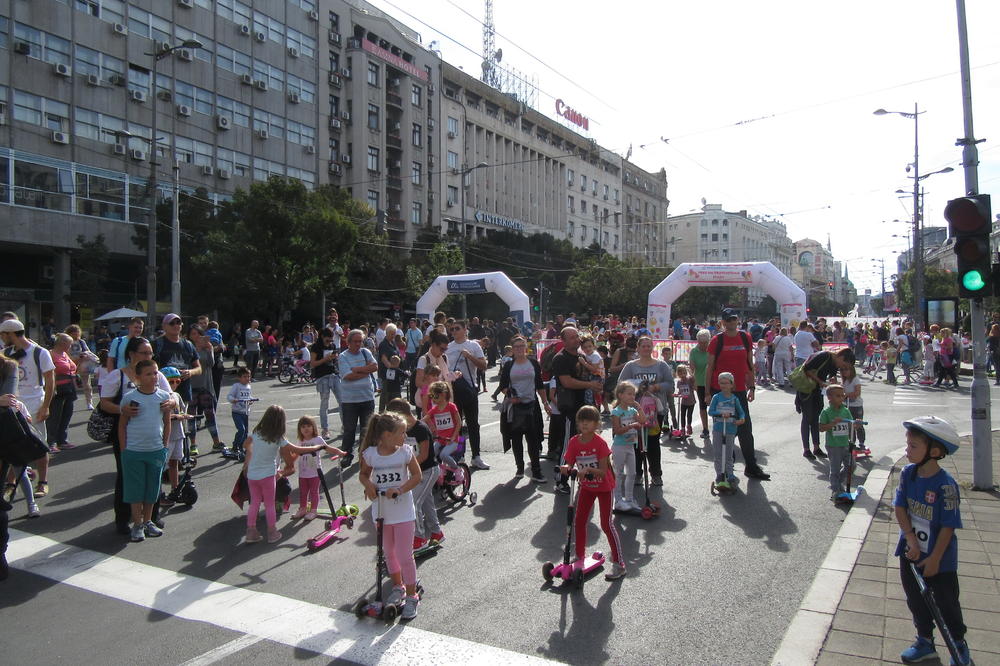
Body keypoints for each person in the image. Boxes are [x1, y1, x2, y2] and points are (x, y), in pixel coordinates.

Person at [893, 416, 970, 665]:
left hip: (940, 559)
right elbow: (900, 508)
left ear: (934, 451)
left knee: (947, 603)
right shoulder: (908, 474)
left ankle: (958, 644)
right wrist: (911, 541)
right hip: (912, 552)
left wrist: (936, 558)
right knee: (916, 599)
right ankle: (925, 640)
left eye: (913, 446)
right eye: (908, 444)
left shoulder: (946, 485)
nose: (907, 450)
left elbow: (949, 526)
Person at [241, 405, 338, 544]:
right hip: (268, 475)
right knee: (269, 504)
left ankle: (251, 532)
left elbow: (245, 445)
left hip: (252, 475)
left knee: (254, 503)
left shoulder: (256, 433)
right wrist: (317, 447)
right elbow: (297, 449)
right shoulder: (278, 438)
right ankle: (272, 532)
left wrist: (251, 455)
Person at [359, 411, 423, 620]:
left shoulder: (404, 452)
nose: (405, 437)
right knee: (389, 553)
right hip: (382, 512)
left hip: (403, 511)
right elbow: (363, 474)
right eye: (401, 433)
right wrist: (369, 485)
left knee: (405, 555)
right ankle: (398, 586)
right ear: (386, 435)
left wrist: (400, 489)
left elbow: (417, 475)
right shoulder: (371, 454)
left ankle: (412, 596)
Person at [558, 406, 626, 581]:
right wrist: (567, 468)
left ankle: (619, 564)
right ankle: (580, 557)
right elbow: (570, 462)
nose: (584, 424)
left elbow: (603, 472)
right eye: (581, 421)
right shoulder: (574, 441)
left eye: (588, 421)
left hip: (604, 487)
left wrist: (587, 469)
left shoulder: (599, 443)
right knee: (579, 521)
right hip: (586, 487)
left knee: (606, 524)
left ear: (596, 424)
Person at [704, 309, 770, 481]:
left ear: (738, 321)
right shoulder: (716, 341)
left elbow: (749, 363)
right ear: (723, 323)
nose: (732, 322)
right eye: (728, 320)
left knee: (745, 429)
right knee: (724, 430)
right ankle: (727, 469)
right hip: (720, 391)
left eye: (734, 319)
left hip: (739, 390)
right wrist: (707, 393)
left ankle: (751, 466)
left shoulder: (745, 337)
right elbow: (709, 368)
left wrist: (752, 386)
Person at [117, 359, 172, 542]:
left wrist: (164, 446)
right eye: (148, 374)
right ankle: (137, 524)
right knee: (135, 489)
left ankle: (148, 521)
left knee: (152, 489)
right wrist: (124, 449)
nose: (153, 377)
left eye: (155, 373)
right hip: (134, 451)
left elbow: (167, 422)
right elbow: (122, 425)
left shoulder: (164, 397)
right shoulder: (131, 398)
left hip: (156, 450)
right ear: (138, 377)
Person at [1, 318, 54, 499]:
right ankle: (11, 482)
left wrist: (46, 406)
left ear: (10, 334)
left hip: (35, 403)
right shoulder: (6, 353)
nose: (2, 338)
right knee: (11, 445)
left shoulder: (40, 352)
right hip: (13, 406)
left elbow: (50, 381)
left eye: (3, 334)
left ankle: (43, 481)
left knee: (39, 445)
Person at [551, 327, 605, 494]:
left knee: (588, 444)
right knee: (569, 445)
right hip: (570, 408)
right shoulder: (560, 358)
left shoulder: (581, 356)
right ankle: (561, 480)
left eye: (577, 336)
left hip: (586, 406)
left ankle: (586, 477)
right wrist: (590, 384)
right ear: (564, 341)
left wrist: (597, 382)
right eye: (572, 337)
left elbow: (594, 373)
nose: (577, 340)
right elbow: (567, 382)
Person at [386, 399, 442, 550]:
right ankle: (437, 533)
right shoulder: (403, 430)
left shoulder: (421, 428)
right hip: (416, 472)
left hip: (428, 471)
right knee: (426, 503)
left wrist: (407, 467)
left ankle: (419, 538)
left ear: (400, 414)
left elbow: (423, 455)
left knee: (414, 504)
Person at [619, 337, 674, 487]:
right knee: (636, 443)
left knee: (653, 442)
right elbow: (621, 384)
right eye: (643, 346)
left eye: (649, 346)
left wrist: (655, 387)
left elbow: (670, 384)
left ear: (652, 347)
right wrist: (636, 387)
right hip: (634, 410)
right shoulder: (631, 366)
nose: (646, 348)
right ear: (638, 347)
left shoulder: (661, 365)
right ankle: (637, 473)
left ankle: (656, 474)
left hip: (656, 411)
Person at [497, 335, 548, 482]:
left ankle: (536, 472)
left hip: (531, 405)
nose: (519, 349)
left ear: (526, 347)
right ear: (512, 349)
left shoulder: (533, 363)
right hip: (515, 408)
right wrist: (511, 397)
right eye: (516, 347)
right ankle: (519, 467)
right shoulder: (509, 365)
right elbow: (503, 386)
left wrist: (546, 403)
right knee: (516, 439)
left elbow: (539, 385)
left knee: (533, 439)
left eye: (521, 346)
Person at [444, 320, 490, 470]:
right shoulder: (448, 347)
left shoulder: (473, 345)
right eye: (452, 329)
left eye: (457, 328)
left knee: (473, 424)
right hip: (453, 390)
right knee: (457, 425)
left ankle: (476, 456)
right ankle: (459, 455)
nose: (454, 331)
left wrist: (469, 356)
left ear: (465, 329)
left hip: (470, 389)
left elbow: (483, 366)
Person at [797, 347, 856, 460]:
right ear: (841, 357)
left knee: (816, 418)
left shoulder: (834, 363)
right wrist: (820, 382)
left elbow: (832, 376)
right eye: (843, 364)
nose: (841, 367)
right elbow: (806, 369)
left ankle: (816, 447)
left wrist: (834, 383)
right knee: (807, 418)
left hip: (818, 391)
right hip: (806, 389)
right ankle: (806, 449)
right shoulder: (823, 356)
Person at [337, 330, 378, 468]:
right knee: (349, 429)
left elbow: (375, 367)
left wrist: (358, 369)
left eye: (360, 341)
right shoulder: (343, 356)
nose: (358, 344)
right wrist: (366, 371)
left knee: (367, 430)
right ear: (348, 342)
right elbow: (348, 376)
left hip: (367, 397)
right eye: (355, 341)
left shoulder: (366, 352)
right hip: (350, 400)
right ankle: (346, 455)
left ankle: (364, 455)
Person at [291, 416, 345, 520]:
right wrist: (290, 463)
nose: (306, 429)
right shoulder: (300, 441)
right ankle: (302, 509)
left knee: (314, 492)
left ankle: (313, 511)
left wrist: (339, 452)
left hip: (315, 473)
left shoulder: (318, 439)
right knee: (303, 492)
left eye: (308, 426)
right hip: (302, 473)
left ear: (313, 427)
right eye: (303, 427)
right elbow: (296, 453)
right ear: (299, 429)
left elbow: (328, 448)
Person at [158, 366, 192, 507]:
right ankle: (158, 495)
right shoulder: (160, 396)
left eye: (177, 381)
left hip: (178, 434)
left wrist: (185, 416)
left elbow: (183, 410)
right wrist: (177, 416)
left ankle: (175, 489)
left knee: (174, 463)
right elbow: (159, 416)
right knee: (160, 467)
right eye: (171, 381)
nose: (175, 384)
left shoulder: (177, 396)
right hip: (167, 436)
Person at [610, 382, 645, 512]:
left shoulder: (633, 410)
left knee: (632, 473)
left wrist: (639, 408)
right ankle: (618, 500)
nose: (632, 397)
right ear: (620, 395)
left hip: (631, 445)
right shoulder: (616, 412)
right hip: (619, 446)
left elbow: (642, 420)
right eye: (629, 394)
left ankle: (629, 499)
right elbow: (617, 431)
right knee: (618, 474)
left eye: (633, 394)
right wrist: (631, 426)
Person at [187, 326, 222, 454]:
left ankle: (216, 443)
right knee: (191, 416)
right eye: (193, 334)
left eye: (197, 334)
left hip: (206, 385)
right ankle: (193, 445)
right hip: (192, 386)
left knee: (210, 415)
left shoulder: (208, 347)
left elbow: (211, 364)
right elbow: (187, 364)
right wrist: (197, 349)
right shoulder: (188, 347)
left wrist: (208, 349)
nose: (195, 336)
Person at [708, 372, 745, 492]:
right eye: (721, 383)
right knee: (718, 453)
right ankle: (719, 474)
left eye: (726, 383)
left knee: (728, 454)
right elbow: (711, 411)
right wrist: (720, 414)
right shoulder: (716, 397)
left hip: (730, 429)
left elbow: (741, 412)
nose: (723, 385)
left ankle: (730, 474)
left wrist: (741, 419)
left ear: (731, 384)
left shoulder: (734, 399)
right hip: (718, 428)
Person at [818, 385, 855, 501]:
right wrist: (833, 423)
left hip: (845, 444)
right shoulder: (826, 412)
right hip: (833, 446)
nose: (841, 398)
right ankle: (836, 490)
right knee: (835, 469)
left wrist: (856, 424)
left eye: (842, 395)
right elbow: (821, 428)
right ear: (829, 398)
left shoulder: (846, 410)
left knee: (851, 466)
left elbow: (851, 424)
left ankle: (838, 482)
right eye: (838, 396)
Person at [47, 333, 78, 452]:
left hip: (69, 388)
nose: (70, 347)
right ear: (63, 343)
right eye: (69, 344)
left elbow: (73, 368)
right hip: (58, 390)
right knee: (54, 416)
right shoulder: (50, 354)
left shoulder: (64, 354)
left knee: (66, 415)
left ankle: (62, 440)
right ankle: (50, 442)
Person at [424, 381, 463, 473]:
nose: (433, 399)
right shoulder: (435, 409)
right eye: (431, 396)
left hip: (452, 440)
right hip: (440, 439)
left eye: (435, 396)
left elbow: (459, 423)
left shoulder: (451, 407)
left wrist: (453, 437)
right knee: (431, 453)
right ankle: (438, 470)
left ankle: (457, 469)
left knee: (443, 455)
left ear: (443, 395)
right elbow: (425, 419)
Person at [310, 328, 341, 440]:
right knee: (324, 403)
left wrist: (334, 358)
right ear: (322, 336)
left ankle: (345, 426)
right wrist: (325, 359)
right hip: (322, 377)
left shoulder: (332, 346)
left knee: (342, 400)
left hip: (333, 374)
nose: (330, 342)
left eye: (331, 340)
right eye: (328, 340)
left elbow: (334, 361)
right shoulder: (316, 347)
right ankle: (325, 429)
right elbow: (312, 363)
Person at [66, 324, 97, 410]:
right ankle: (68, 404)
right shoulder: (66, 341)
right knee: (69, 386)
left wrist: (85, 355)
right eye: (74, 333)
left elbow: (87, 352)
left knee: (87, 385)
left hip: (82, 365)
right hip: (69, 365)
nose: (76, 335)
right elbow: (65, 354)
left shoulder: (81, 342)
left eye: (77, 333)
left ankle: (89, 403)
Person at [226, 368, 255, 458]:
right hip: (237, 412)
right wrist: (233, 400)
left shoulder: (248, 386)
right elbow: (229, 396)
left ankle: (242, 447)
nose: (247, 378)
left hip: (245, 412)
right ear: (239, 378)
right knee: (241, 429)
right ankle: (235, 446)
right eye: (244, 377)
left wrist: (251, 400)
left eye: (248, 376)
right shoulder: (236, 386)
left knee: (245, 431)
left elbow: (249, 396)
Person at [688, 329, 712, 438]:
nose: (703, 345)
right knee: (703, 407)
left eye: (705, 343)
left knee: (716, 406)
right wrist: (693, 381)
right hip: (700, 383)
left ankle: (719, 429)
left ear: (709, 341)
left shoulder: (712, 350)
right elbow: (692, 368)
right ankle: (705, 429)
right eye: (700, 342)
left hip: (713, 382)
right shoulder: (694, 351)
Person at [378, 324, 404, 411]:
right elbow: (384, 360)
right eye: (391, 334)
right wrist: (394, 368)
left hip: (393, 374)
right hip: (386, 373)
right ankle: (380, 413)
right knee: (385, 394)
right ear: (386, 333)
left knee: (392, 395)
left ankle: (391, 412)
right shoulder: (383, 344)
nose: (393, 336)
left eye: (394, 334)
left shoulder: (392, 343)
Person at [841, 362, 866, 449]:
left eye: (846, 370)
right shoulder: (844, 380)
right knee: (849, 424)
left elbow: (857, 392)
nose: (844, 372)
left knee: (858, 424)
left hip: (856, 405)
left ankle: (861, 442)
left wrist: (847, 394)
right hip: (847, 405)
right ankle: (852, 441)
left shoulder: (855, 379)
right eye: (842, 370)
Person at [675, 364, 696, 436]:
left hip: (691, 401)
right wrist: (678, 394)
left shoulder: (689, 380)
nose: (682, 375)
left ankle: (689, 426)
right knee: (682, 415)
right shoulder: (679, 382)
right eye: (680, 373)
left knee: (689, 415)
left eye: (684, 373)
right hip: (684, 402)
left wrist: (691, 373)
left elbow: (693, 380)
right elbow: (680, 391)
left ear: (686, 373)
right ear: (678, 374)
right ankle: (683, 428)